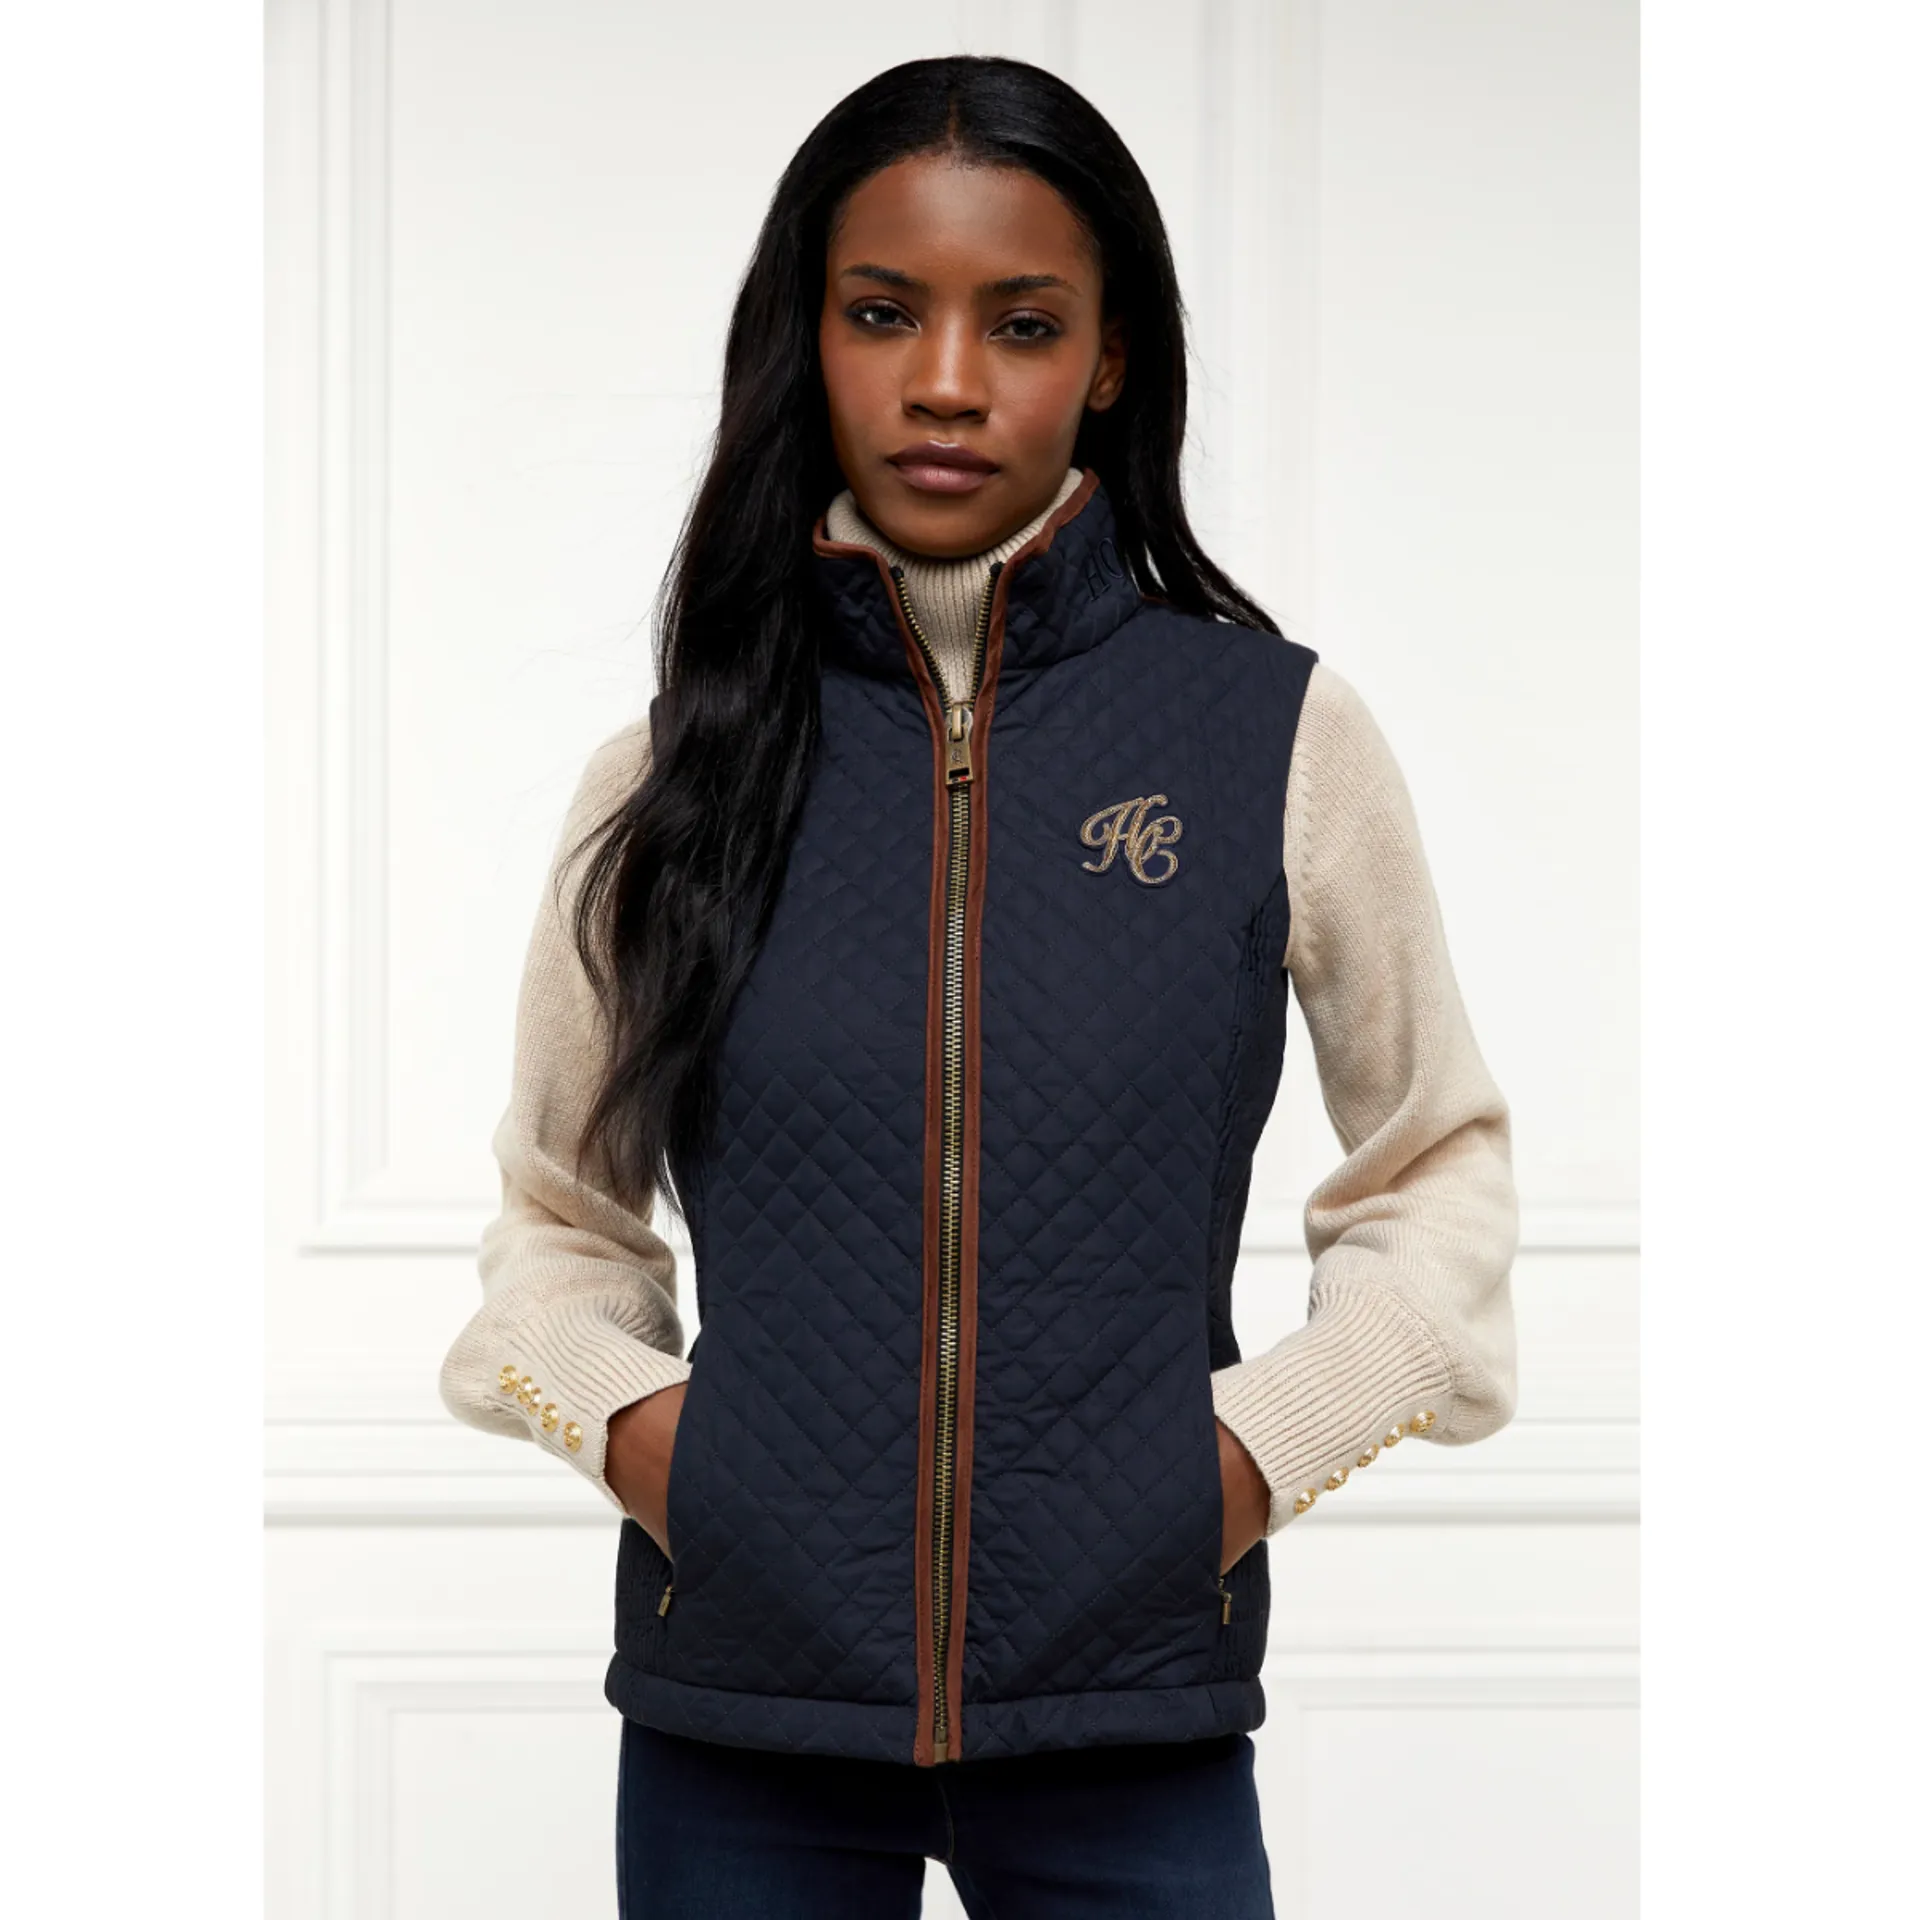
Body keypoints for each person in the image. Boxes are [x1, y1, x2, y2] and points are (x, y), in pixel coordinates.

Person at [438, 52, 1518, 1920]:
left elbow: (1437, 1170)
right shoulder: (669, 774)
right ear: (811, 340)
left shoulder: (1270, 739)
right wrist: (667, 1452)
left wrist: (1244, 1461)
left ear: (1106, 360)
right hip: (741, 1728)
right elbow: (556, 1222)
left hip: (1130, 1718)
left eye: (1022, 324)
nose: (948, 381)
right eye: (884, 314)